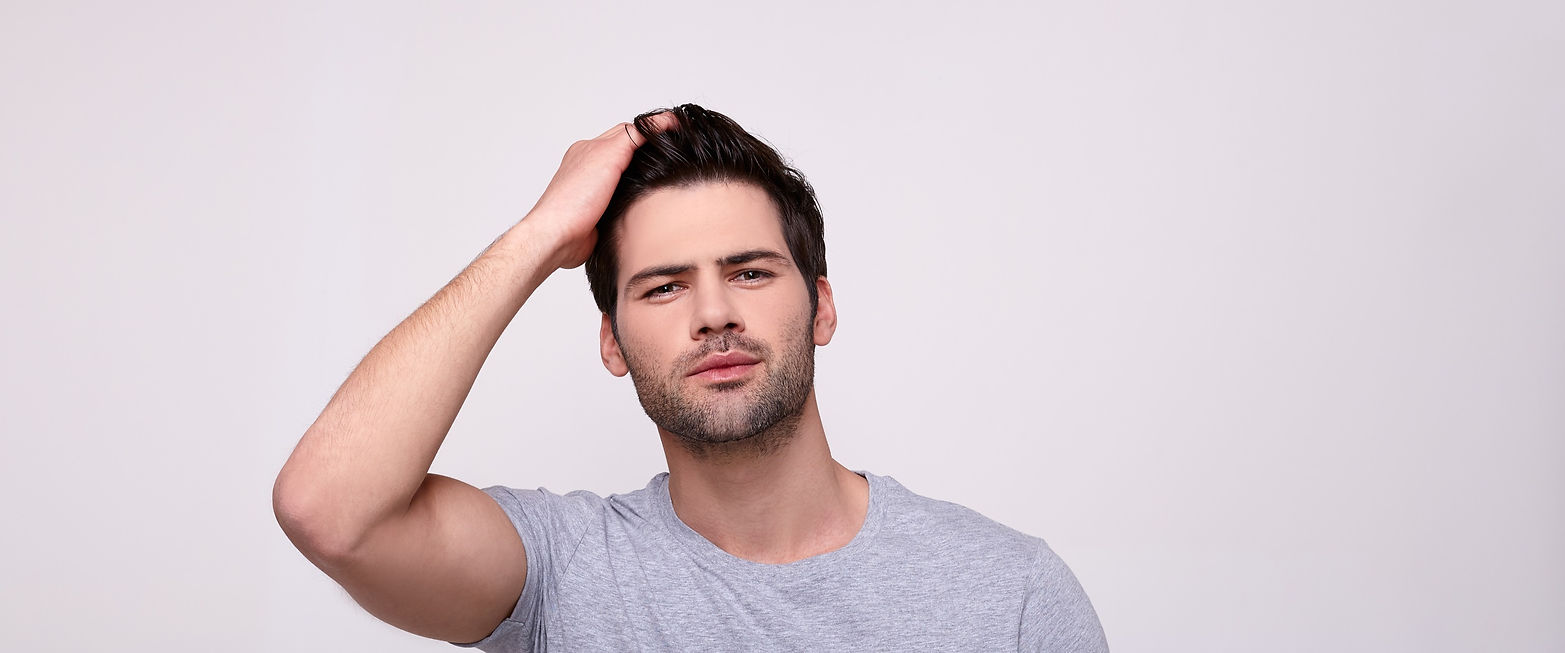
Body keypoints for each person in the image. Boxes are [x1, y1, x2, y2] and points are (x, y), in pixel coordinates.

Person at [272, 104, 1109, 652]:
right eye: (664, 286)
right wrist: (543, 232)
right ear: (612, 341)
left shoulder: (1009, 592)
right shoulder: (563, 571)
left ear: (820, 307)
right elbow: (330, 513)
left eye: (749, 272)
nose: (713, 313)